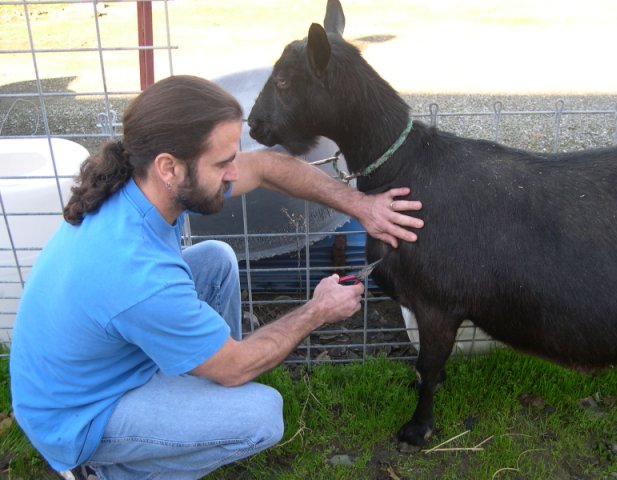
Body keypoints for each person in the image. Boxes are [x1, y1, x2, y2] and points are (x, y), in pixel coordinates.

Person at [9, 75, 423, 480]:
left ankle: (196, 383)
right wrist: (317, 310)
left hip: (89, 362)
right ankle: (105, 470)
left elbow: (265, 167)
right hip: (79, 417)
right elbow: (236, 368)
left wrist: (361, 206)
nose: (233, 172)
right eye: (223, 162)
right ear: (169, 167)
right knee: (259, 417)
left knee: (216, 259)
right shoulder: (137, 272)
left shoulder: (140, 184)